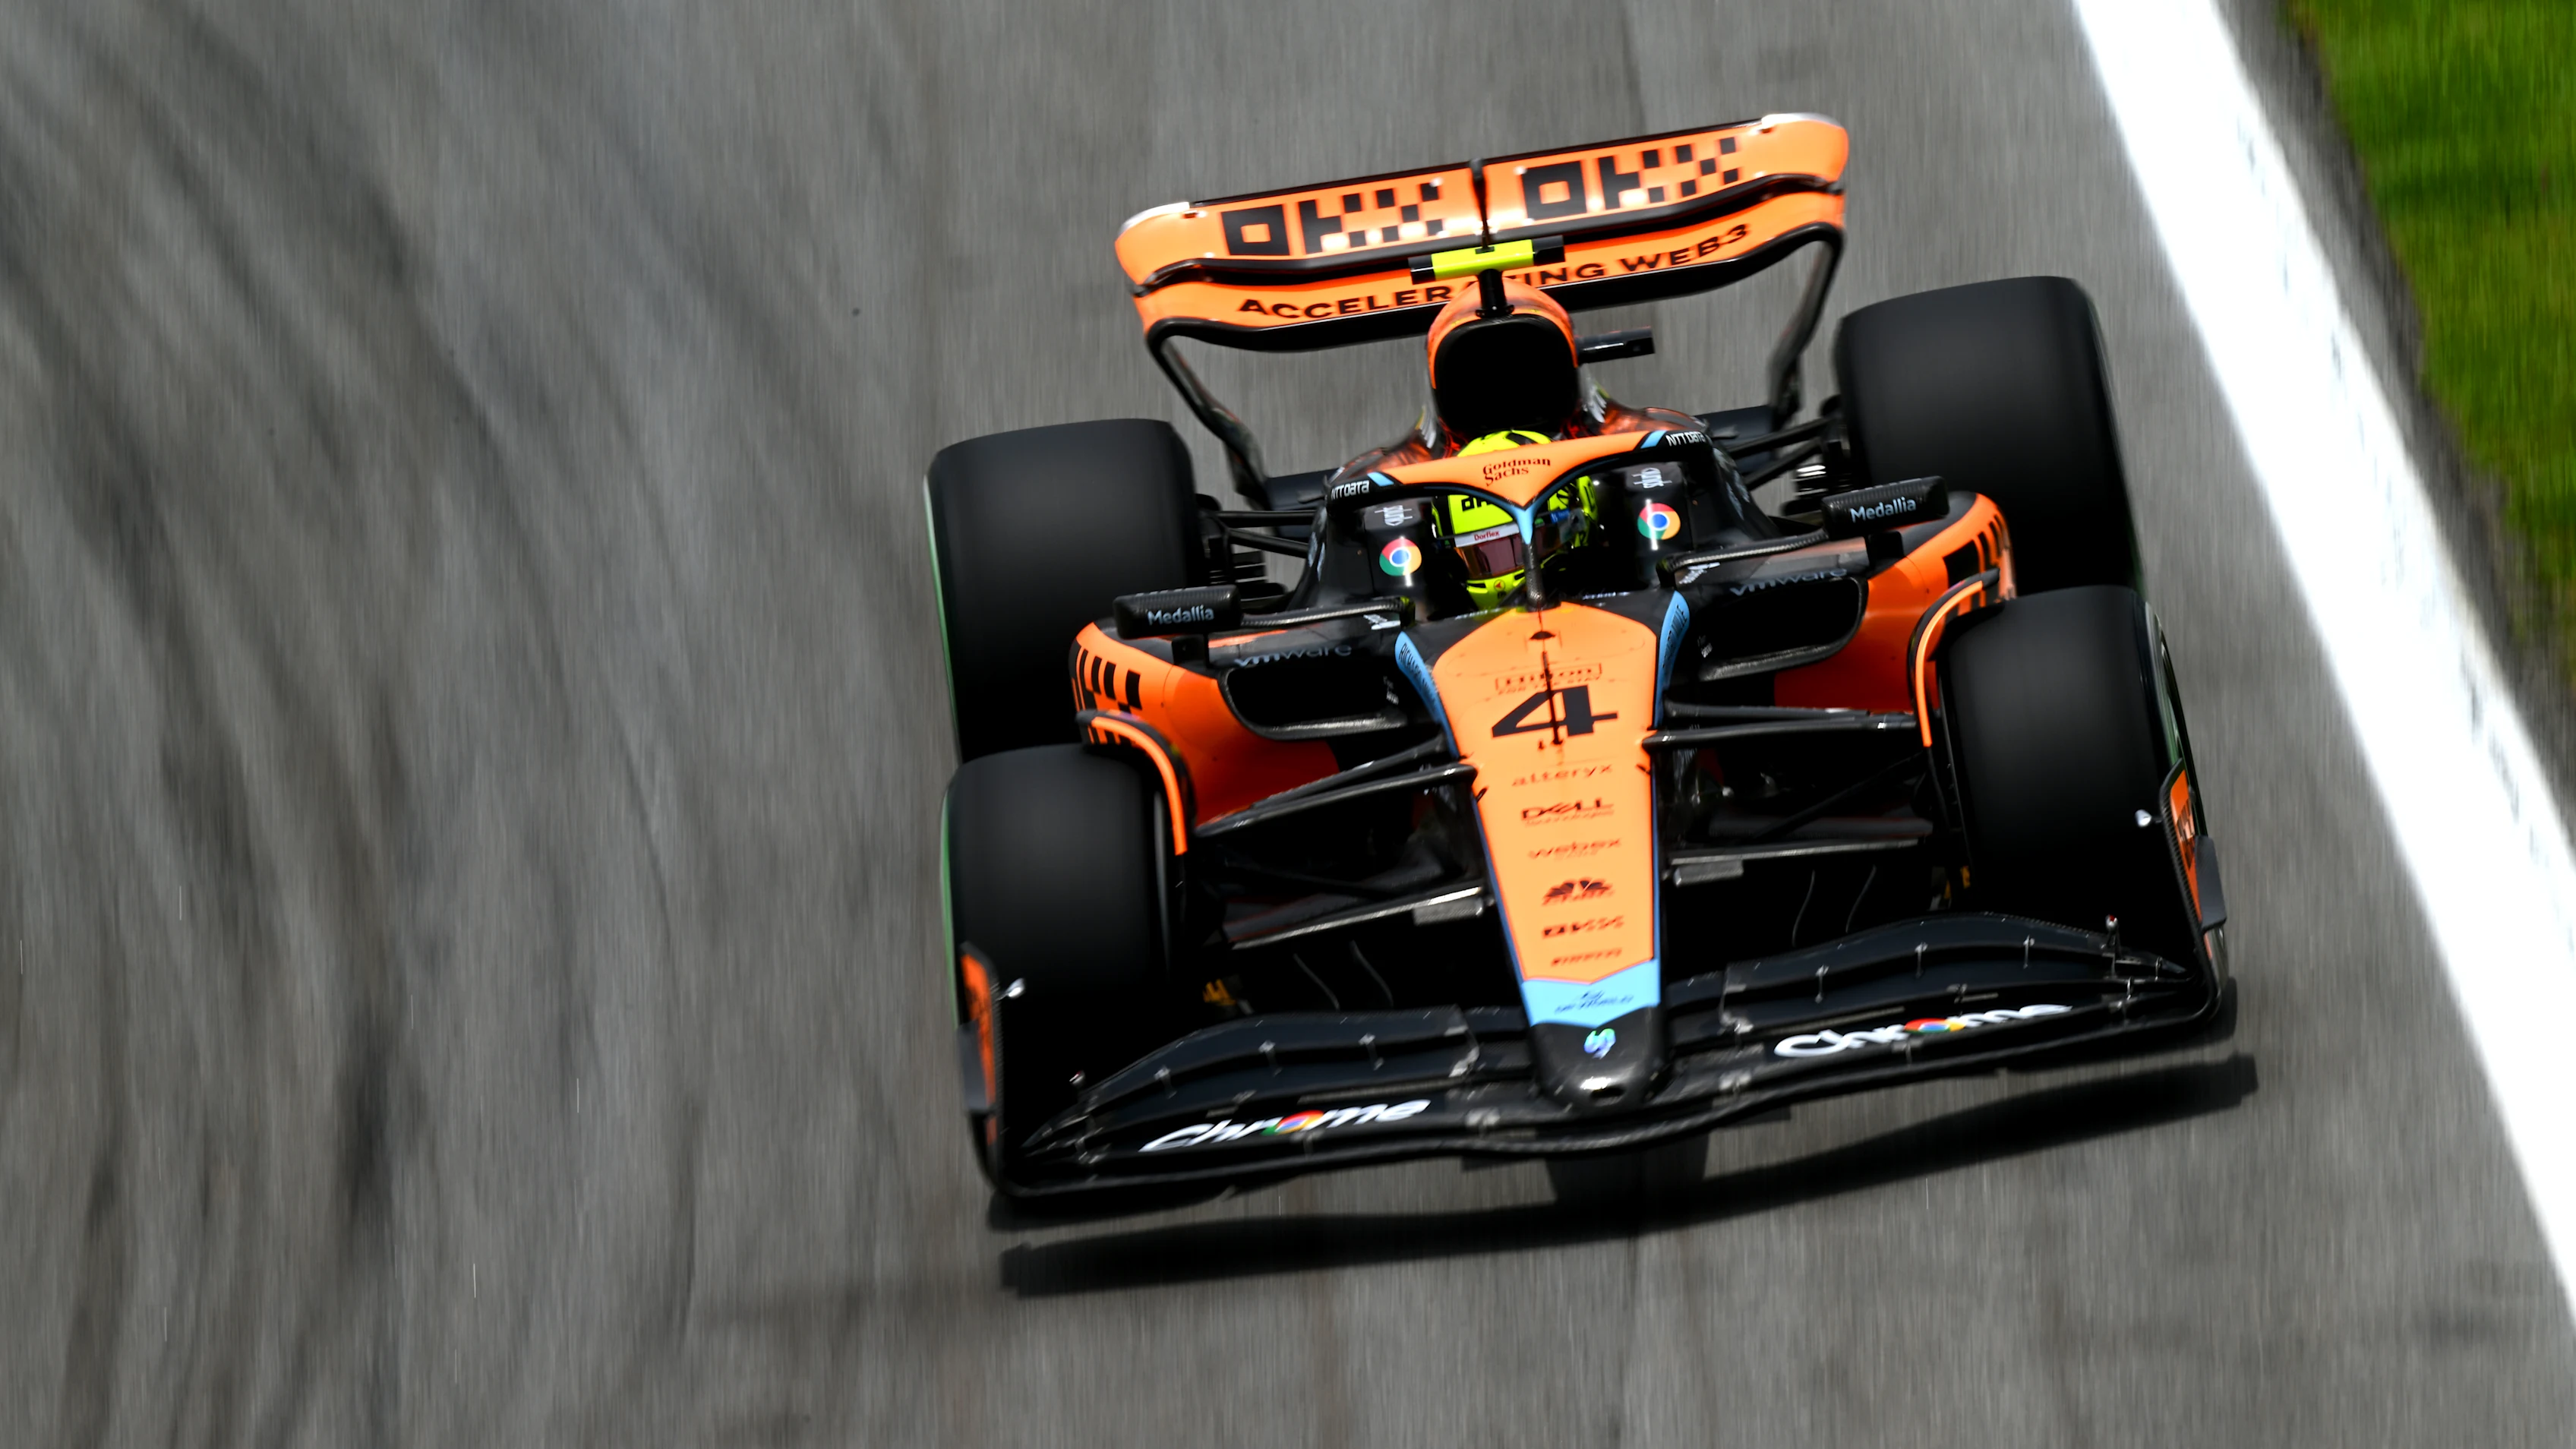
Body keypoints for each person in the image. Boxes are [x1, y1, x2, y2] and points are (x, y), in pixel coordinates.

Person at [1333, 273, 1696, 608]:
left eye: (1537, 542)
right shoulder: (1399, 480)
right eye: (1487, 555)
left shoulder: (1635, 442)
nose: (1523, 579)